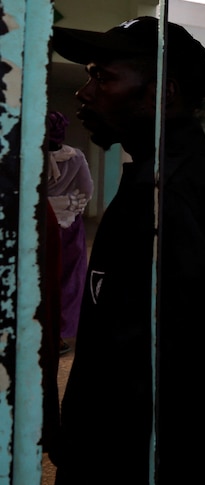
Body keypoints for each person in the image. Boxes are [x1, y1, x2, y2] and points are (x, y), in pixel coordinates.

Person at [51, 17, 205, 484]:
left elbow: (160, 365)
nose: (84, 92)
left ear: (165, 91)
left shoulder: (166, 193)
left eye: (103, 76)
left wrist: (82, 446)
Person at [45, 110, 93, 354]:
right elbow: (86, 189)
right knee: (68, 279)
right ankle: (60, 334)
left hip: (37, 222)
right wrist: (70, 207)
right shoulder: (75, 157)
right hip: (68, 225)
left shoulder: (26, 156)